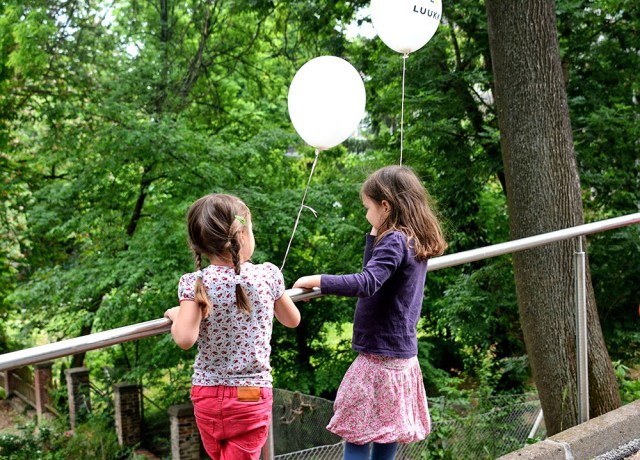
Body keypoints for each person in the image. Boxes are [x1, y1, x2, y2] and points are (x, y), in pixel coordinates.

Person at [293, 165, 447, 460]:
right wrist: (374, 234)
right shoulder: (412, 239)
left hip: (379, 357)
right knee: (387, 429)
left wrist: (318, 280)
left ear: (385, 206)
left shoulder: (395, 240)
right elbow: (375, 273)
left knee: (357, 431)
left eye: (368, 208)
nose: (366, 215)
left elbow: (366, 282)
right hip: (401, 354)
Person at [164, 193, 301, 460]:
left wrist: (177, 314)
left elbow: (184, 338)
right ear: (243, 235)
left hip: (207, 395)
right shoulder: (267, 275)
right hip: (251, 396)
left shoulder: (196, 282)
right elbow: (291, 319)